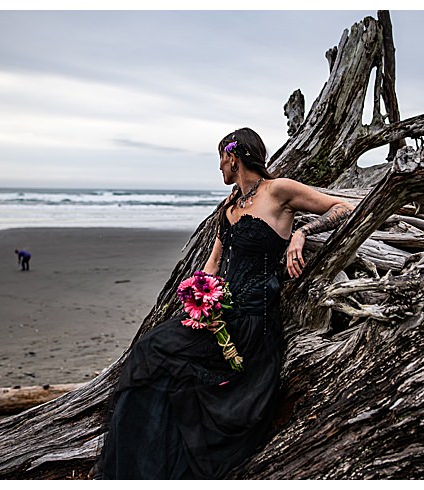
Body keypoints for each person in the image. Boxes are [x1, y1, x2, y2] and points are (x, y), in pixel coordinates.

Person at [92, 127, 354, 479]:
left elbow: (344, 207)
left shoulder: (278, 190)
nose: (218, 167)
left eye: (221, 158)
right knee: (150, 352)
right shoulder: (229, 207)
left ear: (234, 156)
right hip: (223, 315)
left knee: (181, 379)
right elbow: (213, 266)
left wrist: (302, 233)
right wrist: (198, 301)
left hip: (254, 324)